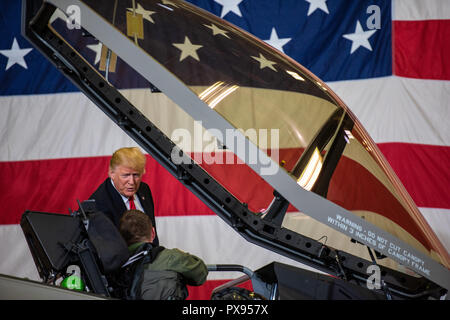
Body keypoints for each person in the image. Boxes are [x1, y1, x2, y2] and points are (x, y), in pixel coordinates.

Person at [119, 210, 208, 300]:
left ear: (121, 237)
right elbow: (200, 275)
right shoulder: (171, 258)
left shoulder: (112, 263)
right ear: (153, 233)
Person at [89, 147, 159, 246]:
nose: (132, 182)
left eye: (136, 175)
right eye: (126, 175)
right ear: (112, 173)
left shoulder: (144, 190)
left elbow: (151, 233)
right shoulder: (98, 204)